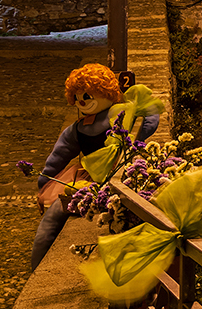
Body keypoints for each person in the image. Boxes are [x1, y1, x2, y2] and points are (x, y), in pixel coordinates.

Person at [29, 63, 161, 269]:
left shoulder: (123, 113)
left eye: (88, 95)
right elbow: (57, 158)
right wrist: (45, 181)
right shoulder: (78, 129)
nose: (81, 100)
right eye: (77, 96)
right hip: (89, 181)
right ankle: (37, 270)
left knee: (52, 222)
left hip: (121, 178)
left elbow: (151, 113)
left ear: (106, 93)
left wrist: (138, 141)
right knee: (51, 221)